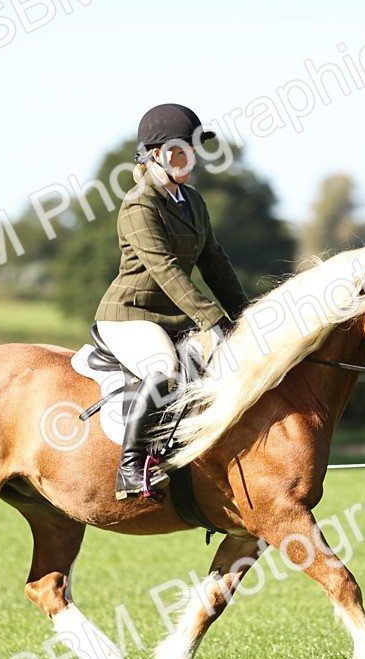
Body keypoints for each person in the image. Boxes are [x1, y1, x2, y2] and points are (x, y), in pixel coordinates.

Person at [94, 103, 249, 500]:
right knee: (164, 368)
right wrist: (212, 318)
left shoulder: (193, 202)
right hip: (130, 315)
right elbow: (166, 270)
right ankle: (130, 467)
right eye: (180, 151)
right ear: (155, 156)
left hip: (174, 317)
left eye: (192, 151)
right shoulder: (138, 205)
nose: (189, 159)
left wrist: (247, 315)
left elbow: (215, 263)